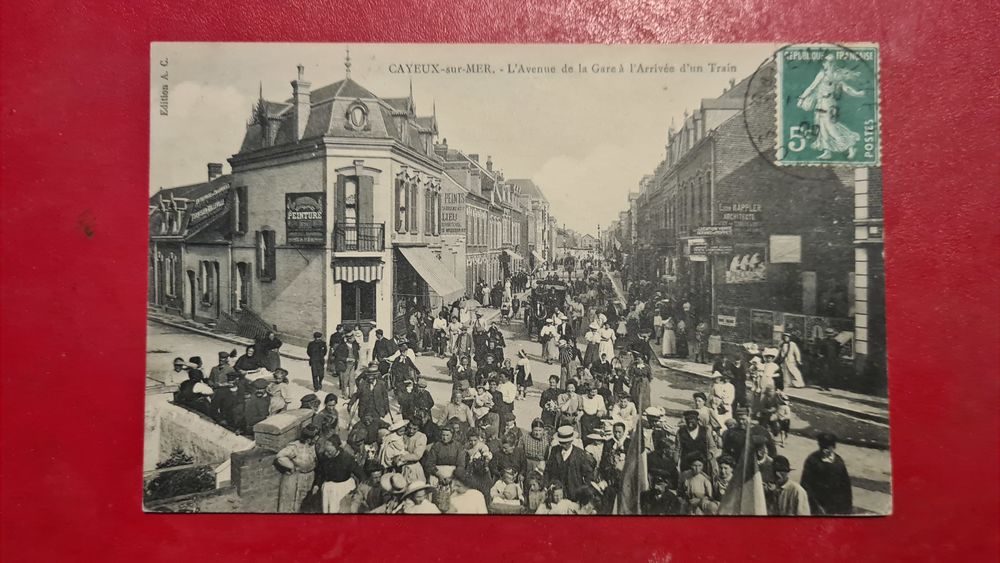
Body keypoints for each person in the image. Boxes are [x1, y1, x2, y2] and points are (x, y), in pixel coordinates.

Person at [796, 52, 865, 160]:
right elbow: (811, 87)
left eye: (832, 61)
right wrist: (801, 98)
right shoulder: (822, 74)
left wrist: (857, 94)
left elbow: (846, 88)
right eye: (828, 61)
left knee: (830, 126)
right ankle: (827, 151)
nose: (831, 63)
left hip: (830, 103)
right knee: (822, 127)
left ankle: (850, 146)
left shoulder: (837, 75)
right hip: (820, 103)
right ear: (824, 63)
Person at [800, 432, 853, 515]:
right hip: (816, 503)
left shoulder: (839, 462)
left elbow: (845, 486)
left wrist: (847, 509)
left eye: (827, 447)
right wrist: (815, 505)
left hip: (835, 505)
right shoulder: (812, 460)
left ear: (833, 447)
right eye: (822, 447)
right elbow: (805, 483)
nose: (824, 450)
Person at [313, 435, 366, 513]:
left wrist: (361, 488)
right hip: (329, 488)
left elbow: (359, 473)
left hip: (343, 488)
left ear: (336, 448)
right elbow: (320, 473)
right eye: (326, 451)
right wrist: (316, 485)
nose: (327, 454)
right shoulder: (325, 457)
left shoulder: (346, 458)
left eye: (330, 452)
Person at [543, 426, 595, 503]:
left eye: (566, 442)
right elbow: (547, 470)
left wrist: (584, 490)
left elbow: (588, 474)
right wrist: (548, 485)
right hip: (557, 493)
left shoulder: (580, 454)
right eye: (561, 442)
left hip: (574, 492)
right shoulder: (555, 451)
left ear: (571, 441)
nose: (563, 445)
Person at [274, 424, 320, 513]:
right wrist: (291, 466)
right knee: (291, 502)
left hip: (309, 477)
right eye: (315, 437)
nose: (317, 439)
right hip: (295, 478)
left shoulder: (314, 446)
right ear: (308, 439)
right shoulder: (295, 447)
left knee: (304, 502)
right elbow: (280, 457)